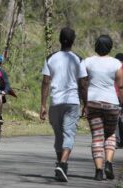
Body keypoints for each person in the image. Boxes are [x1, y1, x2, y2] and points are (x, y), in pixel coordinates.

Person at [40, 27, 88, 182]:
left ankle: (60, 165)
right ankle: (63, 163)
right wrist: (86, 103)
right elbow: (83, 85)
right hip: (72, 102)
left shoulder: (50, 58)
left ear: (60, 40)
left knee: (59, 136)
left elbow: (46, 82)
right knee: (69, 134)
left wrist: (42, 105)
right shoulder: (78, 59)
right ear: (73, 41)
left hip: (55, 102)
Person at [82, 35, 123, 181]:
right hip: (111, 104)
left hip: (93, 102)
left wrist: (85, 103)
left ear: (96, 46)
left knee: (97, 136)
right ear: (110, 47)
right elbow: (120, 87)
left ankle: (98, 171)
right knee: (110, 135)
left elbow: (82, 84)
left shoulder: (87, 62)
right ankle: (108, 163)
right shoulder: (116, 64)